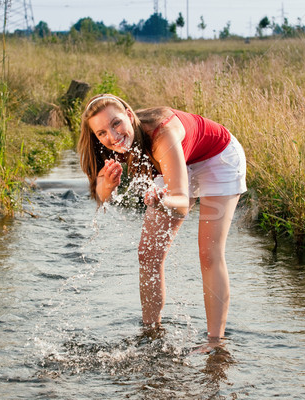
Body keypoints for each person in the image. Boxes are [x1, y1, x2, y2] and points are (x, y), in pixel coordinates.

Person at [78, 94, 246, 343]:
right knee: (148, 254)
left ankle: (215, 344)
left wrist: (161, 198)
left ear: (128, 113)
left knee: (209, 253)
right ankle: (151, 334)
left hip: (217, 157)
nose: (112, 136)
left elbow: (180, 203)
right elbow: (100, 196)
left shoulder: (161, 134)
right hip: (175, 162)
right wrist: (108, 184)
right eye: (102, 132)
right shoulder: (109, 144)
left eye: (116, 123)